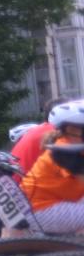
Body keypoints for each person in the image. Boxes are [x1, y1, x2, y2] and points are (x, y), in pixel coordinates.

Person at [21, 99, 84, 234]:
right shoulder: (65, 150)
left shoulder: (73, 144)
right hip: (38, 209)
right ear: (71, 129)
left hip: (43, 203)